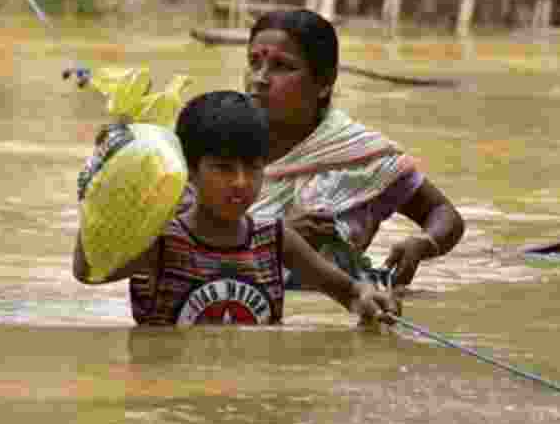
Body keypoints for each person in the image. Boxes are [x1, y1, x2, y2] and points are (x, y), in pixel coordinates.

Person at [72, 90, 397, 326]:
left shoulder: (275, 238)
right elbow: (88, 272)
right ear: (190, 171)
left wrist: (369, 298)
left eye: (253, 167)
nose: (241, 182)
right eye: (223, 169)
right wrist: (98, 195)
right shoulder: (162, 241)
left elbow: (350, 293)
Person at [243, 9, 465, 288]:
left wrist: (423, 243)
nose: (260, 78)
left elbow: (444, 213)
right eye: (254, 63)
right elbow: (184, 239)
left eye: (281, 66)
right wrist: (273, 236)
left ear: (324, 83)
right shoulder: (220, 145)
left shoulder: (362, 156)